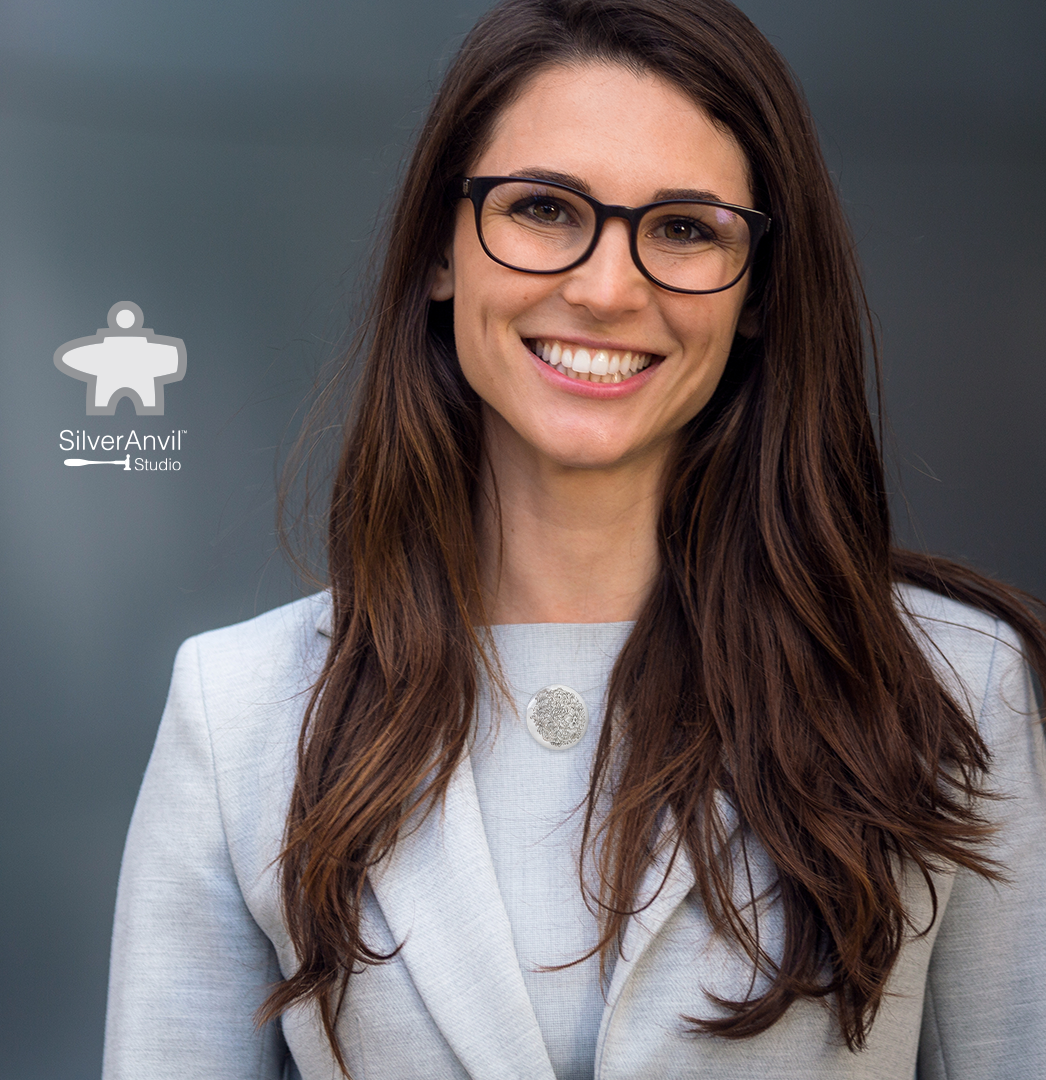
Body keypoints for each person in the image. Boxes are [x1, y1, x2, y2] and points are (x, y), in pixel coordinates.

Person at [102, 1, 1046, 1077]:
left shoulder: (951, 693)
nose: (605, 288)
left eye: (687, 228)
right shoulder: (239, 717)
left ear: (757, 297)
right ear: (439, 255)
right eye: (546, 208)